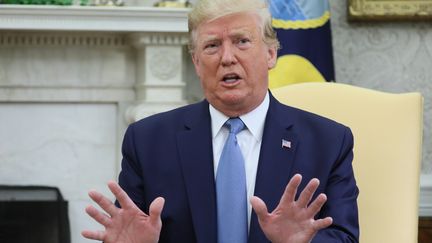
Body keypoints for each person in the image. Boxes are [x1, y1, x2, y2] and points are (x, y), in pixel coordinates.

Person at [81, 0, 359, 242]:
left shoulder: (328, 142)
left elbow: (345, 238)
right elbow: (127, 233)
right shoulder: (147, 140)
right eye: (212, 46)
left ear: (271, 54)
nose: (227, 58)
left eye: (242, 41)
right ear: (197, 63)